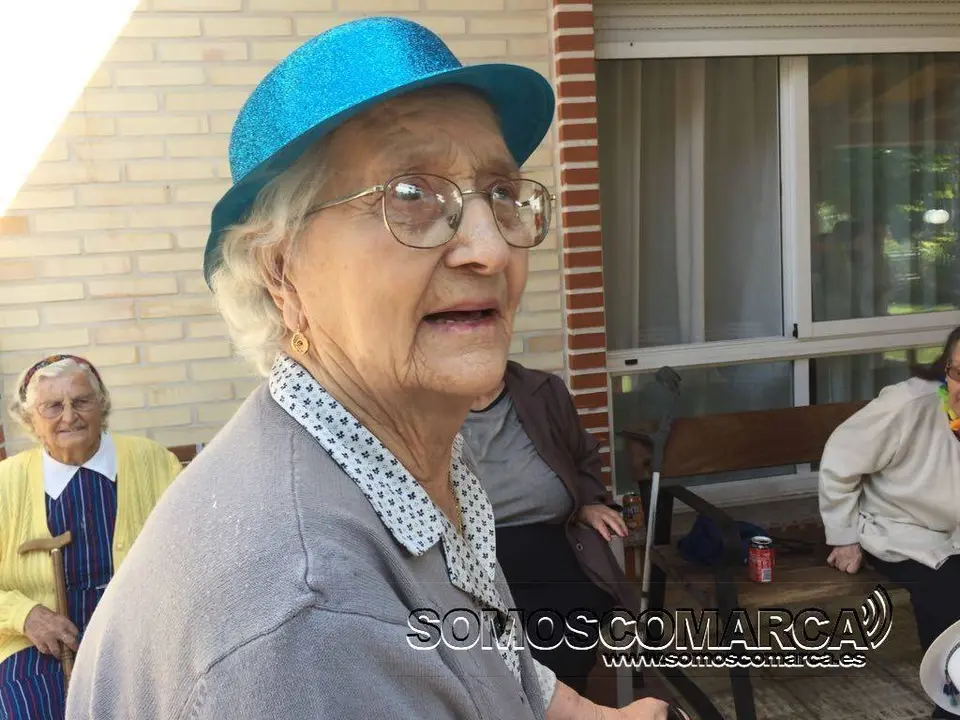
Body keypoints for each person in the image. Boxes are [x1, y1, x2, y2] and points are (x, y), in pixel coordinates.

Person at [64, 17, 681, 720]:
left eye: (502, 195)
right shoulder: (312, 627)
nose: (491, 250)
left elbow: (480, 654)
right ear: (282, 275)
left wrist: (590, 714)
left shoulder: (399, 453)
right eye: (411, 197)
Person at [0, 354, 181, 720]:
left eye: (81, 401)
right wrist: (26, 615)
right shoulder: (6, 483)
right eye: (53, 406)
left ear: (102, 405)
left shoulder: (153, 461)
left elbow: (192, 551)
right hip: (39, 644)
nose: (69, 417)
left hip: (140, 635)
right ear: (31, 420)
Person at [461, 360, 637, 696]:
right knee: (505, 641)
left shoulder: (542, 391)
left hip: (557, 540)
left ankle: (564, 702)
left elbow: (583, 455)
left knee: (575, 621)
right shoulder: (429, 405)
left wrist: (586, 503)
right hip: (480, 555)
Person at [819, 326, 960, 719]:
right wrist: (843, 536)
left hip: (955, 535)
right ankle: (952, 705)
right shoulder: (907, 403)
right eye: (959, 373)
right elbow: (839, 462)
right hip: (900, 530)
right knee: (949, 593)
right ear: (944, 370)